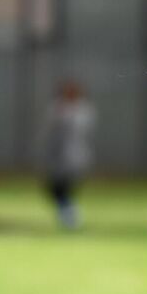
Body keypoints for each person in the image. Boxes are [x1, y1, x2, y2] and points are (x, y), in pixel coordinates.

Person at [41, 79, 96, 230]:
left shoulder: (82, 110)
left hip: (74, 157)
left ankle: (70, 217)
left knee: (64, 188)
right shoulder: (58, 107)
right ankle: (68, 215)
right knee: (56, 188)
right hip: (58, 156)